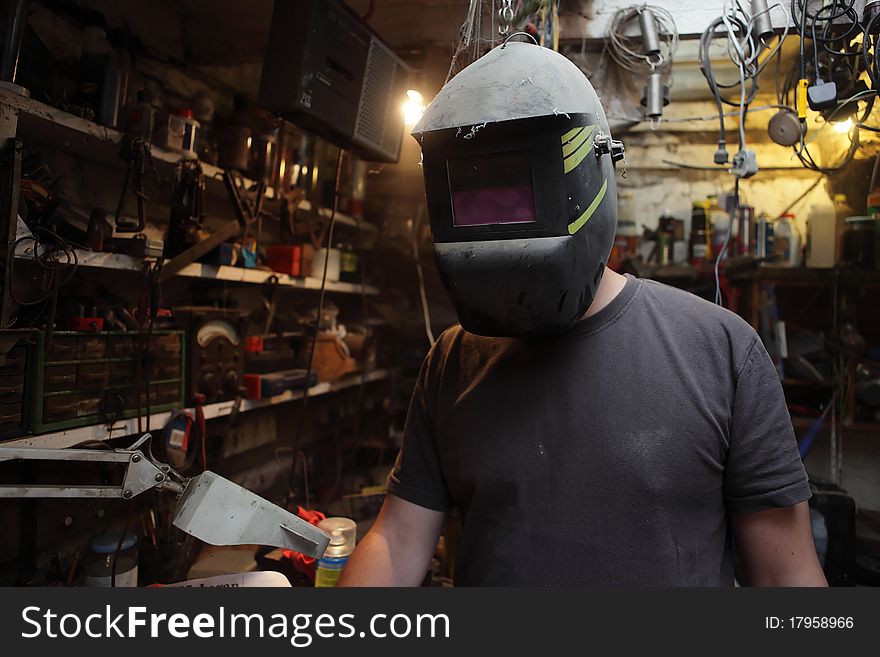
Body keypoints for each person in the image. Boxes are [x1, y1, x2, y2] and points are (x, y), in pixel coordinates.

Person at [338, 41, 827, 587]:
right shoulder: (453, 360)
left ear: (593, 171)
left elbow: (788, 579)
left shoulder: (721, 351)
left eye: (516, 197)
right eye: (480, 201)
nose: (500, 231)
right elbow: (399, 536)